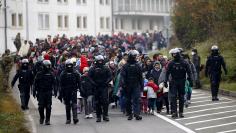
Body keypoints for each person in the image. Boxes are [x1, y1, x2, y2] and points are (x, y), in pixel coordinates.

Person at [165, 48, 193, 119]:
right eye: (172, 54)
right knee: (173, 97)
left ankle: (181, 112)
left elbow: (189, 71)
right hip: (173, 81)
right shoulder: (171, 63)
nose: (173, 55)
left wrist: (190, 80)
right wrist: (165, 81)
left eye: (175, 54)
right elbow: (167, 72)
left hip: (182, 81)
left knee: (181, 97)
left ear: (178, 54)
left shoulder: (184, 62)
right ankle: (174, 112)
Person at [88, 55, 112, 122]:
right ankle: (98, 116)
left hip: (104, 87)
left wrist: (106, 82)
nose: (100, 62)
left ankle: (105, 115)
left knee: (105, 101)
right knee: (97, 102)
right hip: (96, 87)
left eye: (101, 61)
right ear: (96, 61)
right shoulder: (92, 68)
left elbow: (110, 76)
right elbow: (89, 77)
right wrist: (93, 83)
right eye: (99, 61)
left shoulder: (106, 68)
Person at [120, 50, 143, 120]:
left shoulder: (138, 65)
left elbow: (140, 76)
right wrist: (123, 85)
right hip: (127, 85)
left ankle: (137, 114)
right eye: (135, 56)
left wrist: (141, 85)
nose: (136, 57)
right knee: (128, 100)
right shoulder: (125, 66)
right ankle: (130, 114)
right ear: (131, 56)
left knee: (136, 99)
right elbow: (122, 76)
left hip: (136, 85)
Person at [33, 60, 56, 125]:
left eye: (48, 66)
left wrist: (55, 91)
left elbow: (54, 83)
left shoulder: (51, 74)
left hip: (48, 92)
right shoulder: (39, 74)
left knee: (48, 106)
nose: (47, 67)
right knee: (41, 106)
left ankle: (48, 120)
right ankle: (42, 117)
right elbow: (35, 83)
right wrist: (34, 91)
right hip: (41, 92)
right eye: (46, 66)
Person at [59, 59, 80, 124]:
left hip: (73, 90)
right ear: (66, 65)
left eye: (70, 65)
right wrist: (60, 94)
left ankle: (75, 118)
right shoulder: (63, 73)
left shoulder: (75, 72)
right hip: (66, 91)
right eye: (68, 65)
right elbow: (61, 84)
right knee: (67, 105)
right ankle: (68, 119)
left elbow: (79, 82)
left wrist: (80, 89)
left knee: (74, 105)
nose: (69, 66)